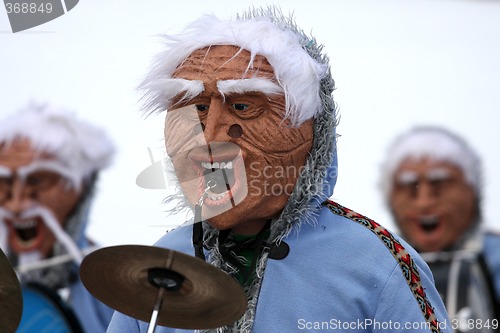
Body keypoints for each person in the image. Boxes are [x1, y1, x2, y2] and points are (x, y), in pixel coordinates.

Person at [107, 7, 451, 333]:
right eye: (196, 108)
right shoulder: (161, 265)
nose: (208, 137)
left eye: (243, 106)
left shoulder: (376, 265)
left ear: (313, 133)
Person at [0, 103, 115, 332]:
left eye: (37, 181)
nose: (16, 204)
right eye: (5, 183)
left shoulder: (115, 288)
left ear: (83, 190)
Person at [380, 126, 500, 331]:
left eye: (439, 186)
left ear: (471, 190)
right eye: (410, 188)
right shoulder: (380, 259)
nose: (424, 203)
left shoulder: (494, 256)